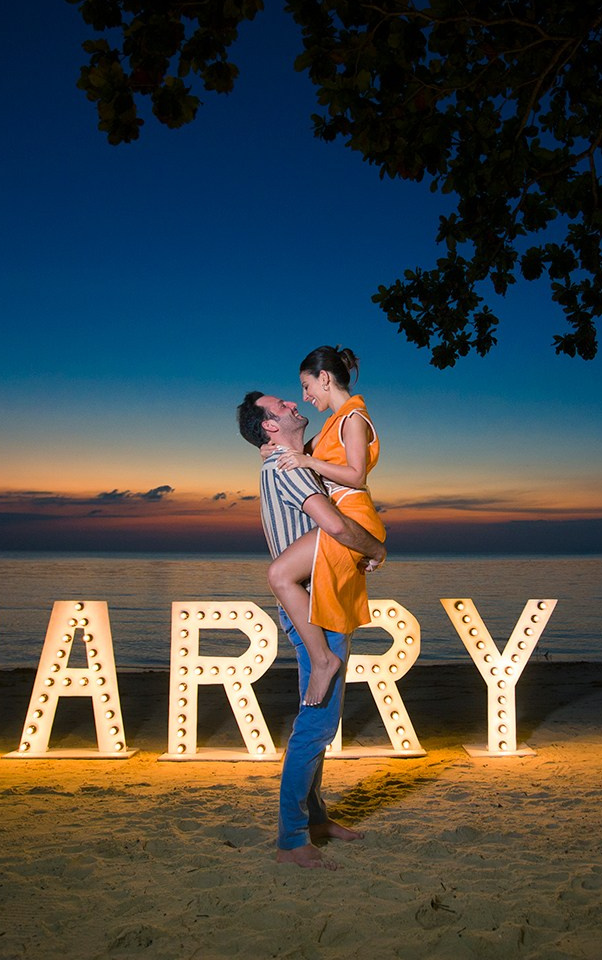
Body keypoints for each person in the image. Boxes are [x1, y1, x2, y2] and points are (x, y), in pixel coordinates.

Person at [236, 389, 386, 870]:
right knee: (315, 726)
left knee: (320, 723)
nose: (294, 404)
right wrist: (376, 550)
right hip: (314, 607)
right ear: (271, 427)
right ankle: (292, 839)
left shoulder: (283, 459)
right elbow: (337, 527)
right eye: (282, 406)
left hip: (319, 600)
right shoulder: (292, 466)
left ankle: (316, 819)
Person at [264, 346, 385, 708]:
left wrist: (304, 460)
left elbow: (356, 475)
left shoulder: (354, 419)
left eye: (306, 386)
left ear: (325, 378)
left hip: (353, 512)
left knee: (281, 574)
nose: (304, 396)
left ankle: (323, 661)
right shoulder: (335, 422)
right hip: (343, 511)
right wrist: (273, 448)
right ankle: (323, 658)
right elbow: (298, 448)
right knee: (286, 577)